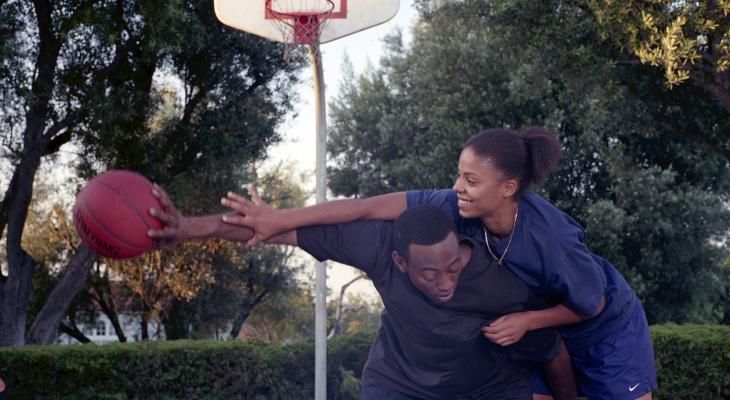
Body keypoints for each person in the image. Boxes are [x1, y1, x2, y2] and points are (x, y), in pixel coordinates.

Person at [219, 127, 657, 400]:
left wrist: (527, 321)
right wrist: (283, 219)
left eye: (471, 180)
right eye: (458, 175)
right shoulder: (453, 206)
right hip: (546, 328)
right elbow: (369, 208)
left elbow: (592, 304)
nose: (457, 187)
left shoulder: (553, 240)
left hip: (604, 327)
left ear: (507, 188)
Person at [147, 191, 577, 399]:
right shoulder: (375, 245)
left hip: (489, 389)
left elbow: (552, 352)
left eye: (453, 267)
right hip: (399, 383)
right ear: (400, 262)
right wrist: (190, 228)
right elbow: (276, 230)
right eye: (430, 273)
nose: (446, 282)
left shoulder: (502, 284)